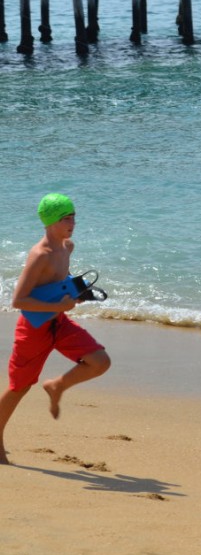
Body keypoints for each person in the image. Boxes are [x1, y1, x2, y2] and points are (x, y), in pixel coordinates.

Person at [0, 193, 111, 465]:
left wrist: (74, 291)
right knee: (20, 387)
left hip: (58, 322)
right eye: (65, 218)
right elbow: (18, 300)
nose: (72, 222)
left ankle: (57, 386)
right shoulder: (41, 255)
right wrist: (59, 306)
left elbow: (56, 282)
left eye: (73, 216)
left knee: (99, 361)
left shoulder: (66, 246)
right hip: (33, 328)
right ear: (50, 222)